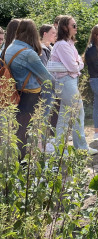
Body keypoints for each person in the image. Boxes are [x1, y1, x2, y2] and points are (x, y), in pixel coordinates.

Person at [4, 19, 54, 159]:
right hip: (30, 94)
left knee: (19, 128)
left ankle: (16, 159)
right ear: (33, 33)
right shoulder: (28, 53)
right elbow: (47, 78)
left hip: (16, 92)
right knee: (25, 130)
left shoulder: (10, 47)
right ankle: (23, 162)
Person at [51, 15, 98, 155]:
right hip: (65, 81)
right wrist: (77, 64)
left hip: (69, 81)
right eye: (74, 25)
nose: (76, 28)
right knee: (78, 112)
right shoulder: (62, 45)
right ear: (65, 27)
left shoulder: (69, 44)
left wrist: (77, 64)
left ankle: (60, 151)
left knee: (64, 116)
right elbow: (73, 66)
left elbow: (79, 62)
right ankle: (81, 148)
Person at [39, 24, 58, 151]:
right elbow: (45, 71)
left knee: (50, 116)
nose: (55, 35)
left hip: (52, 86)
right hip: (45, 88)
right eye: (53, 33)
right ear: (44, 34)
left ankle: (48, 141)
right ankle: (42, 145)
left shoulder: (50, 48)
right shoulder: (40, 49)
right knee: (44, 117)